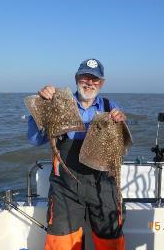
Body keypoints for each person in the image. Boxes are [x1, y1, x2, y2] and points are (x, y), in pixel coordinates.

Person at [27, 58, 126, 250]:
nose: (89, 82)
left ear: (102, 83)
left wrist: (121, 123)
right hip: (66, 187)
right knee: (61, 243)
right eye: (84, 77)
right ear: (76, 79)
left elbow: (121, 145)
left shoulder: (110, 106)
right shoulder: (59, 101)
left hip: (103, 184)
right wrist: (41, 104)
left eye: (95, 79)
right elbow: (35, 139)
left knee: (111, 240)